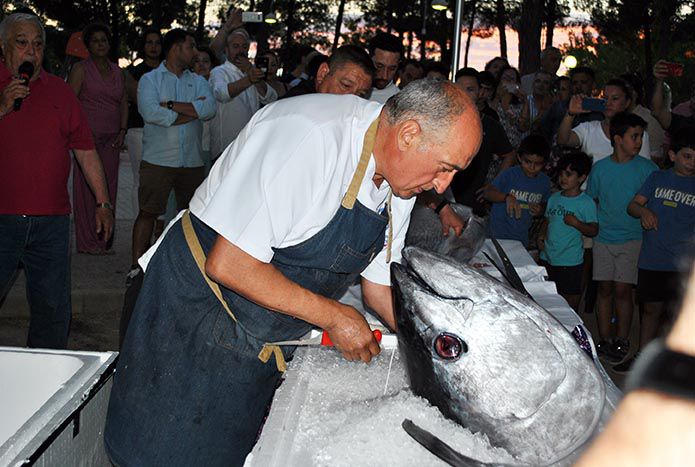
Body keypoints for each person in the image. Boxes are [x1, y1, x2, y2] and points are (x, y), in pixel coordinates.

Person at [104, 79, 483, 466]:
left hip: (260, 335)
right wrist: (334, 316)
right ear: (408, 134)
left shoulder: (399, 184)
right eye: (444, 169)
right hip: (194, 316)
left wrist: (435, 354)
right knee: (156, 450)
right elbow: (229, 263)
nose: (442, 186)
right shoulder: (309, 137)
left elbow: (379, 290)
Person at [0, 13, 113, 348]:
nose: (31, 52)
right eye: (22, 43)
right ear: (4, 45)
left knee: (52, 309)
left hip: (51, 223)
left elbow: (85, 150)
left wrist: (103, 203)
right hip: (1, 220)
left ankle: (45, 378)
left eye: (37, 44)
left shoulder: (61, 93)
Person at [129, 29, 216, 273]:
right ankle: (136, 266)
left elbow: (208, 109)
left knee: (191, 215)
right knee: (148, 212)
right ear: (176, 48)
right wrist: (190, 113)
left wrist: (168, 106)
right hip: (158, 159)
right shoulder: (149, 80)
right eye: (191, 47)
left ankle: (187, 267)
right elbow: (149, 112)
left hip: (192, 161)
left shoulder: (199, 81)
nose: (195, 52)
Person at [613, 128, 695, 372]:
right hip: (653, 257)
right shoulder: (657, 179)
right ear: (672, 155)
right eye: (687, 156)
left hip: (683, 262)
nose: (692, 163)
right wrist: (645, 211)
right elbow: (633, 206)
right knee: (650, 310)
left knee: (678, 315)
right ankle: (642, 357)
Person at [586, 112, 658, 363]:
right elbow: (592, 200)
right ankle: (605, 338)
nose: (638, 142)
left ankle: (622, 338)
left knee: (623, 290)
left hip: (633, 238)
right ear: (618, 139)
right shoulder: (600, 168)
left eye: (641, 136)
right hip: (604, 238)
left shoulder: (648, 170)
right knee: (604, 288)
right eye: (634, 136)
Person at [68, 23, 126, 255]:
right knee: (85, 192)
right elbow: (70, 103)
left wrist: (122, 130)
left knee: (108, 189)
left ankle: (104, 240)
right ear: (88, 45)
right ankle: (87, 242)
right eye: (95, 41)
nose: (100, 44)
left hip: (112, 138)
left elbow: (123, 101)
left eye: (104, 40)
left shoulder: (118, 71)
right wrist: (77, 131)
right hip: (87, 141)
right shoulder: (81, 69)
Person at [450, 67, 515, 213]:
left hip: (473, 204)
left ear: (480, 92)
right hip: (441, 200)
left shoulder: (490, 124)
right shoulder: (443, 121)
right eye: (460, 89)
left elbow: (509, 155)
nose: (464, 94)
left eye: (470, 89)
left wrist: (494, 185)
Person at [538, 152, 598, 311]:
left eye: (569, 174)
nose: (563, 178)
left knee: (569, 302)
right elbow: (547, 219)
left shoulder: (586, 203)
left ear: (582, 177)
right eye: (561, 173)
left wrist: (577, 223)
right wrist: (541, 235)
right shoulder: (554, 198)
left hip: (570, 261)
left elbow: (593, 230)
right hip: (548, 257)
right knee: (549, 300)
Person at [208, 28, 277, 158]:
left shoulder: (250, 71)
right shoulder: (219, 72)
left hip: (248, 147)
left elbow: (271, 98)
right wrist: (249, 79)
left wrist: (250, 71)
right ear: (226, 50)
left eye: (244, 46)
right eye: (235, 46)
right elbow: (222, 94)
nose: (240, 51)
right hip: (225, 150)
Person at [558, 78, 651, 164]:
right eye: (605, 98)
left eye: (615, 99)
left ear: (627, 103)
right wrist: (570, 113)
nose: (608, 103)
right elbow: (563, 140)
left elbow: (644, 169)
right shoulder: (588, 129)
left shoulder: (638, 135)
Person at [484, 134, 552, 248]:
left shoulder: (544, 182)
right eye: (528, 162)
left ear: (544, 163)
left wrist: (540, 210)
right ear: (520, 158)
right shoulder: (510, 174)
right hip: (497, 236)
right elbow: (488, 193)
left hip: (520, 239)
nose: (532, 167)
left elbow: (547, 205)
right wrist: (506, 197)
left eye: (537, 164)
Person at [124, 28, 163, 217]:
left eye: (157, 43)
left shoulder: (169, 71)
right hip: (139, 130)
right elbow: (140, 102)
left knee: (161, 180)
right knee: (140, 180)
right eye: (149, 42)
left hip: (164, 130)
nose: (153, 47)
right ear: (143, 46)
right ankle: (137, 223)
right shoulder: (133, 72)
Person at [283, 45, 374, 99]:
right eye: (346, 85)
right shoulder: (296, 104)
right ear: (323, 73)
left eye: (360, 94)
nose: (352, 98)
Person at [492, 65, 525, 148]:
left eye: (512, 78)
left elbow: (524, 126)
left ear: (517, 83)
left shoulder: (520, 105)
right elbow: (490, 116)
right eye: (505, 78)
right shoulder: (491, 101)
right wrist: (497, 97)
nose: (509, 80)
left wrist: (525, 101)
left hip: (514, 148)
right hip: (494, 148)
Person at [368, 32, 403, 104]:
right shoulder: (349, 88)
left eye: (392, 69)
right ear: (369, 59)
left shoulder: (398, 101)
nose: (385, 76)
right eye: (379, 66)